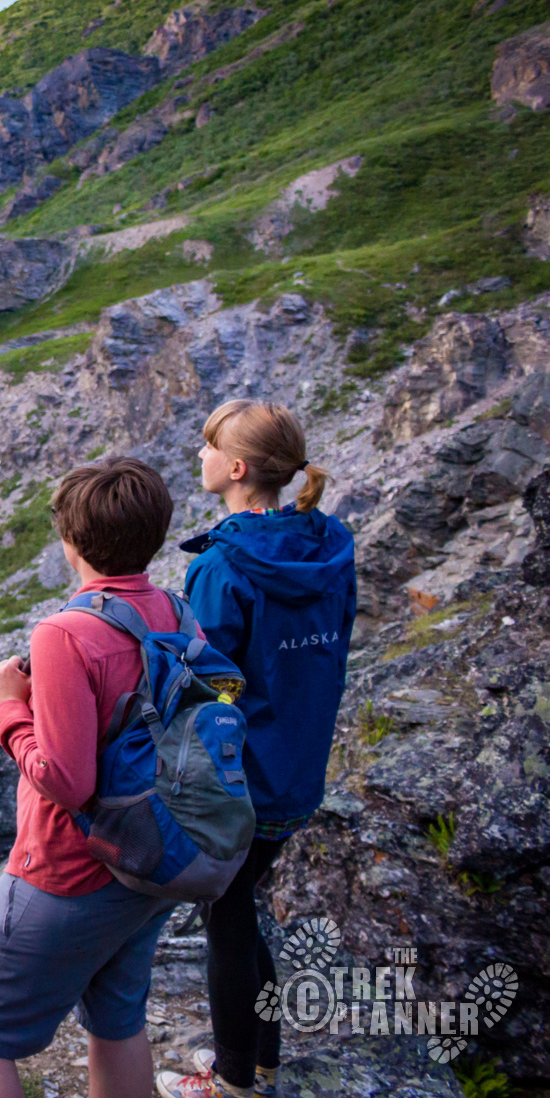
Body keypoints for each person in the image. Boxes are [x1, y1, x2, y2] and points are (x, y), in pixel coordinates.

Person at [0, 458, 186, 1098]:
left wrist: (6, 707)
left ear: (71, 542)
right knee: (117, 1021)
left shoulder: (64, 634)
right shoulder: (174, 609)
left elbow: (67, 780)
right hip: (146, 860)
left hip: (68, 870)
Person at [156, 401, 356, 1098]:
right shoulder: (330, 546)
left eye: (207, 446)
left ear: (236, 469)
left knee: (228, 922)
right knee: (239, 910)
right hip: (298, 767)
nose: (199, 457)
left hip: (241, 780)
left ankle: (235, 1079)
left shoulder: (223, 565)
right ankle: (262, 1059)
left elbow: (203, 686)